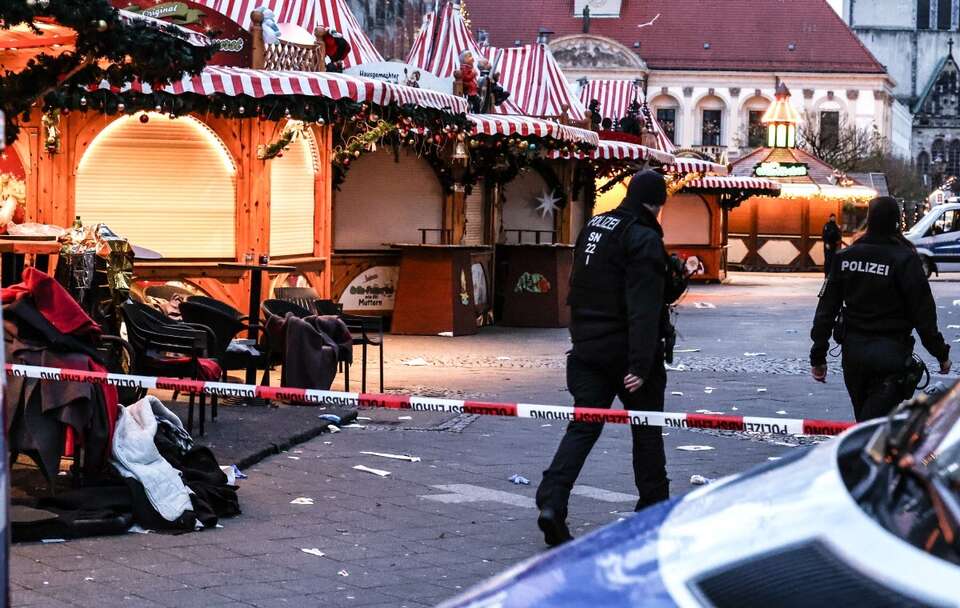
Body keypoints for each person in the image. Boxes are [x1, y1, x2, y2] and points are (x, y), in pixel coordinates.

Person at [535, 170, 685, 547]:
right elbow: (644, 306)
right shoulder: (643, 236)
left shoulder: (596, 225)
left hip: (587, 348)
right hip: (626, 350)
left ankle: (552, 502)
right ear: (657, 204)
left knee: (583, 426)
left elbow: (582, 286)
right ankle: (653, 511)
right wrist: (639, 364)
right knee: (647, 429)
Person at [810, 196, 951, 422]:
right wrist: (940, 354)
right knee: (871, 427)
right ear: (897, 222)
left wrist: (818, 355)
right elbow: (924, 314)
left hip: (854, 355)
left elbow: (826, 310)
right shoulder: (905, 259)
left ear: (869, 219)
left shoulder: (846, 258)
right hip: (892, 356)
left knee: (865, 423)